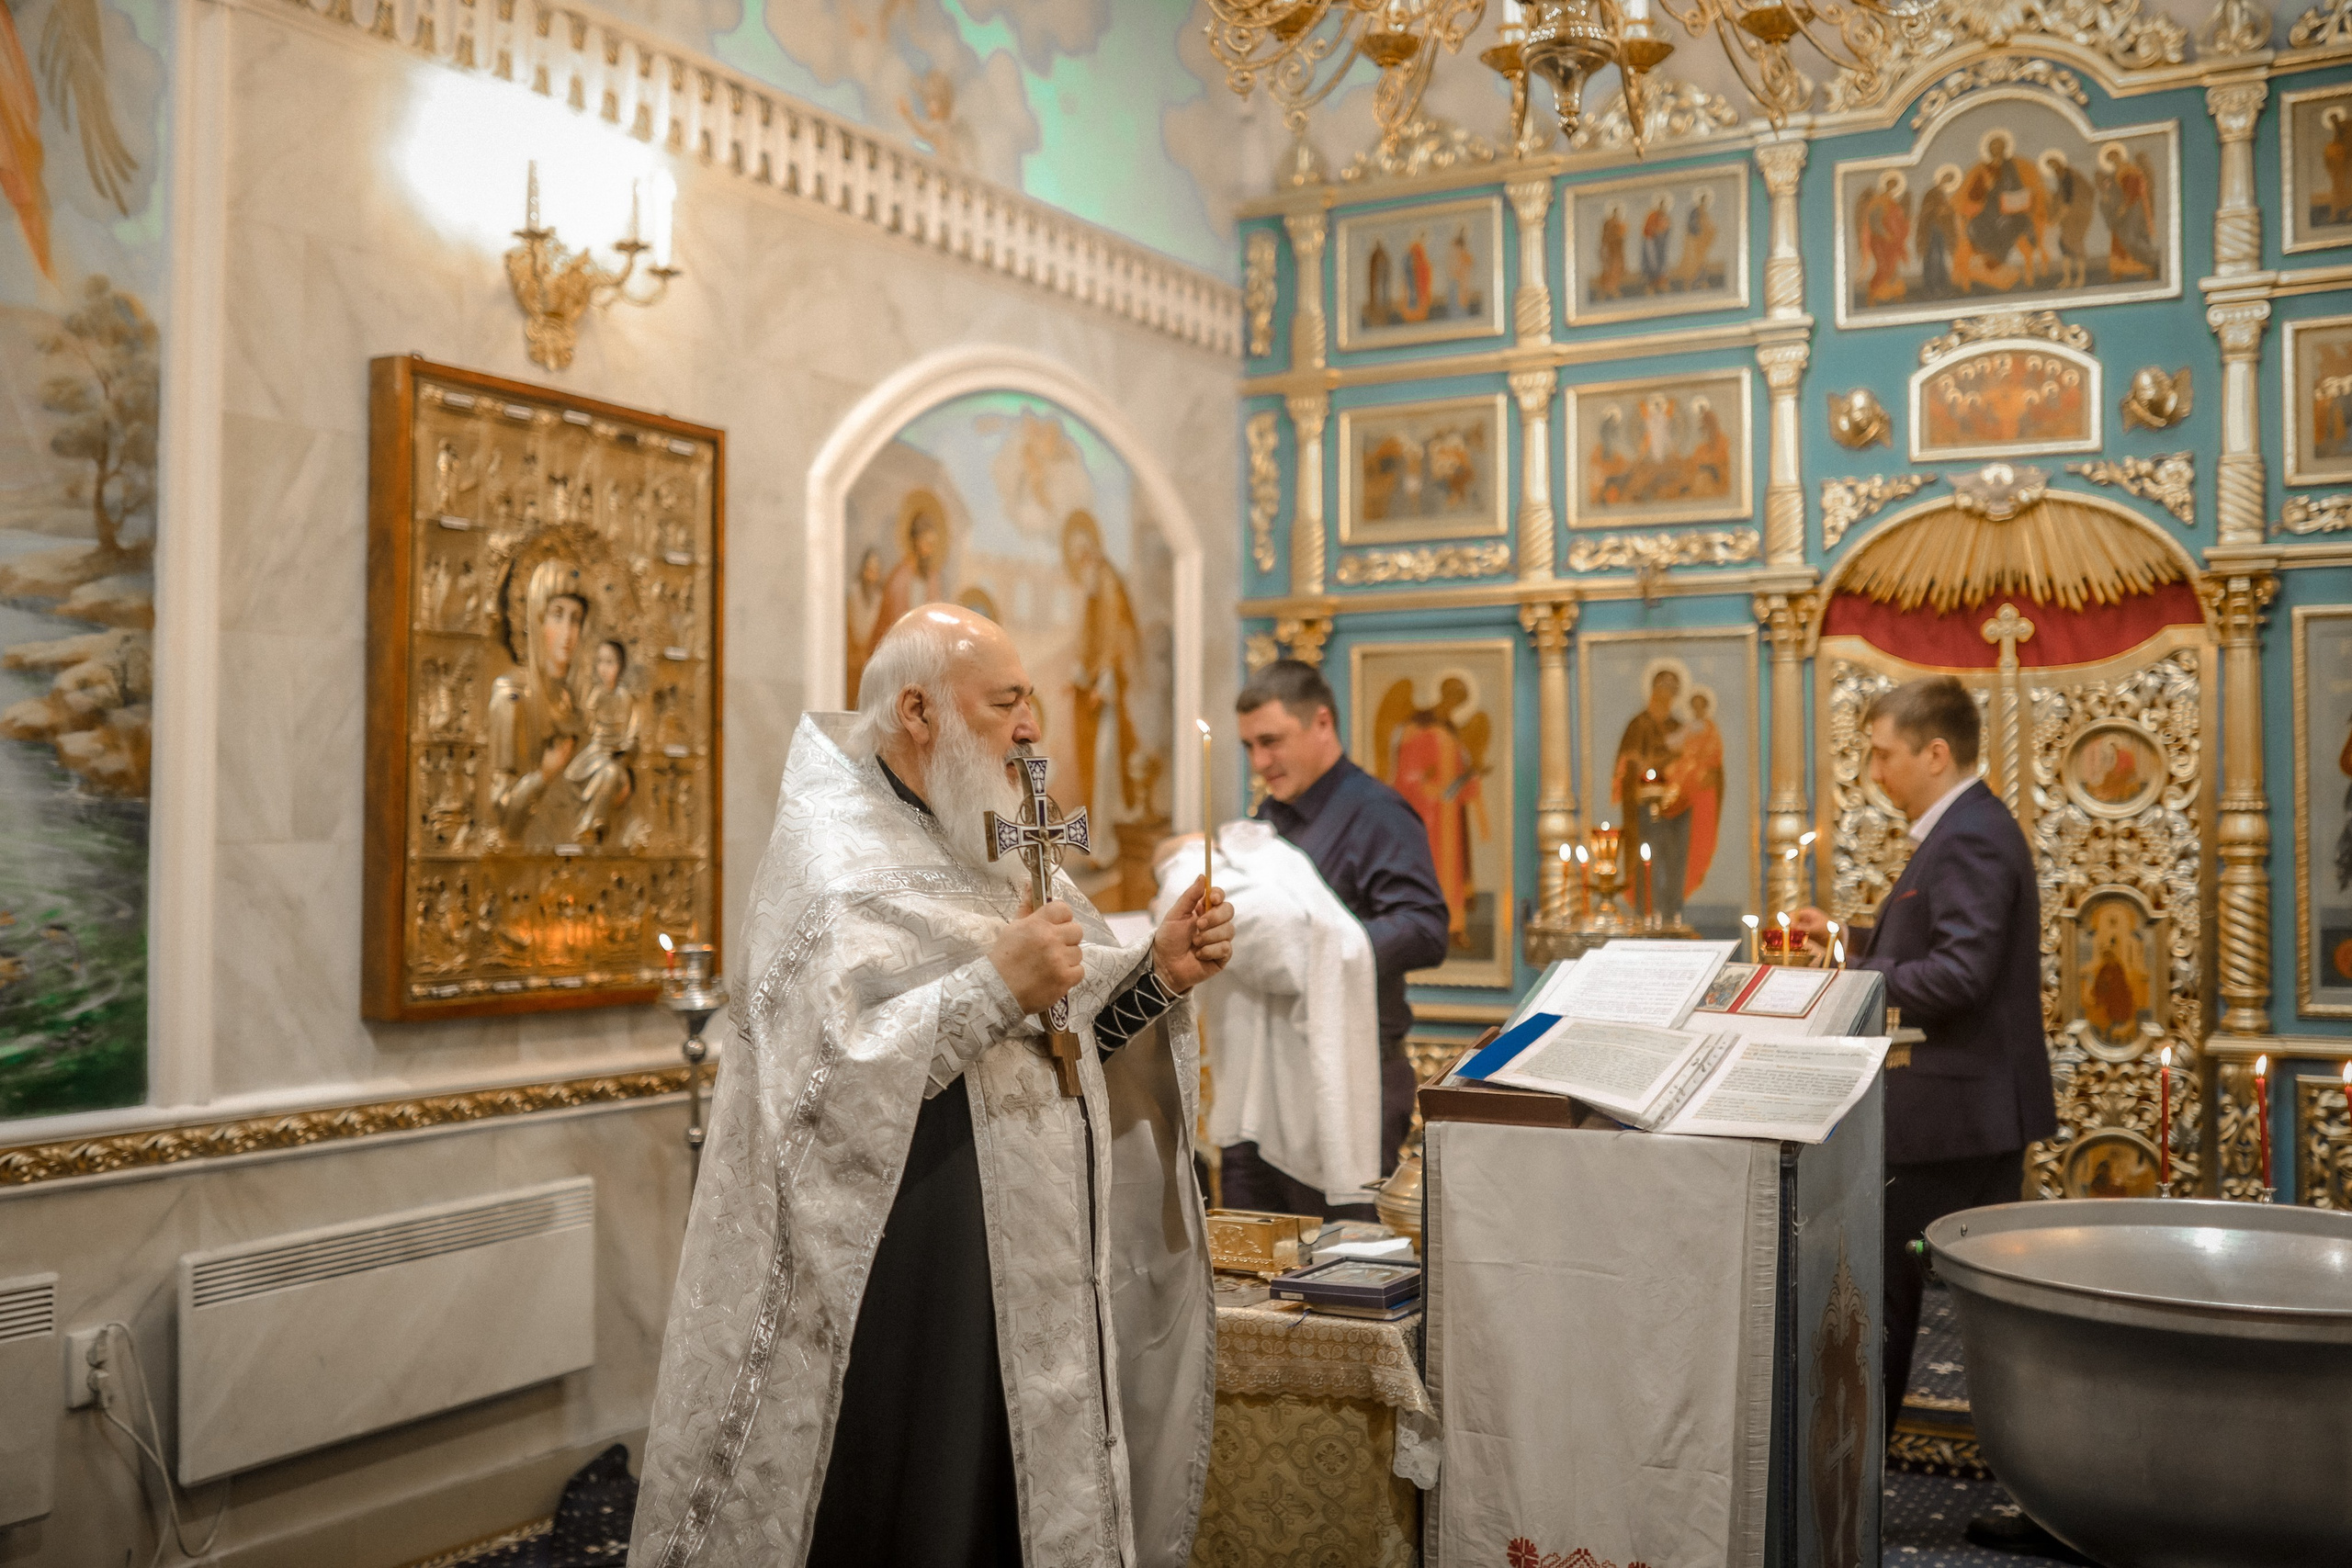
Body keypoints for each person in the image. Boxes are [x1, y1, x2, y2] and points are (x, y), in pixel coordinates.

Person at [630, 604, 1234, 1568]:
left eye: (1028, 699)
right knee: (924, 1511)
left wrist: (1155, 972)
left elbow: (1061, 1040)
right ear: (918, 711)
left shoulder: (985, 842)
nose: (1031, 725)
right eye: (1006, 702)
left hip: (1026, 1275)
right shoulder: (835, 864)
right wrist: (998, 983)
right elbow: (824, 1080)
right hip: (911, 1274)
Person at [1790, 676, 2059, 1555]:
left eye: (1883, 752)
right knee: (1903, 1304)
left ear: (1934, 752)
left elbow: (1960, 976)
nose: (1874, 768)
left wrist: (1843, 981)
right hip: (1951, 1115)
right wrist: (1847, 939)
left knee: (1896, 1306)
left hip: (1954, 1121)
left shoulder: (1973, 834)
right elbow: (1926, 954)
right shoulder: (1957, 831)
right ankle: (1856, 1487)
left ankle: (1854, 1494)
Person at [1229, 659, 1448, 1213]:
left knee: (1341, 1264)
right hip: (1273, 1065)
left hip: (1354, 1070)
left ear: (1321, 723)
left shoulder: (1377, 813)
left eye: (1271, 742)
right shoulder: (1270, 815)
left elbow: (1426, 927)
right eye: (1249, 747)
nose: (1259, 762)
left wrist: (1320, 951)